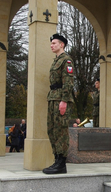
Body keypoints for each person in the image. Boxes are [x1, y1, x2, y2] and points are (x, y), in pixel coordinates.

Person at [42, 33, 74, 174]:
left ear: (62, 44)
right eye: (51, 43)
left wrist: (64, 101)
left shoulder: (66, 60)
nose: (51, 45)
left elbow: (68, 83)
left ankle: (61, 163)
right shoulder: (56, 61)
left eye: (54, 43)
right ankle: (57, 160)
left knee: (60, 130)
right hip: (53, 97)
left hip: (61, 98)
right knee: (52, 130)